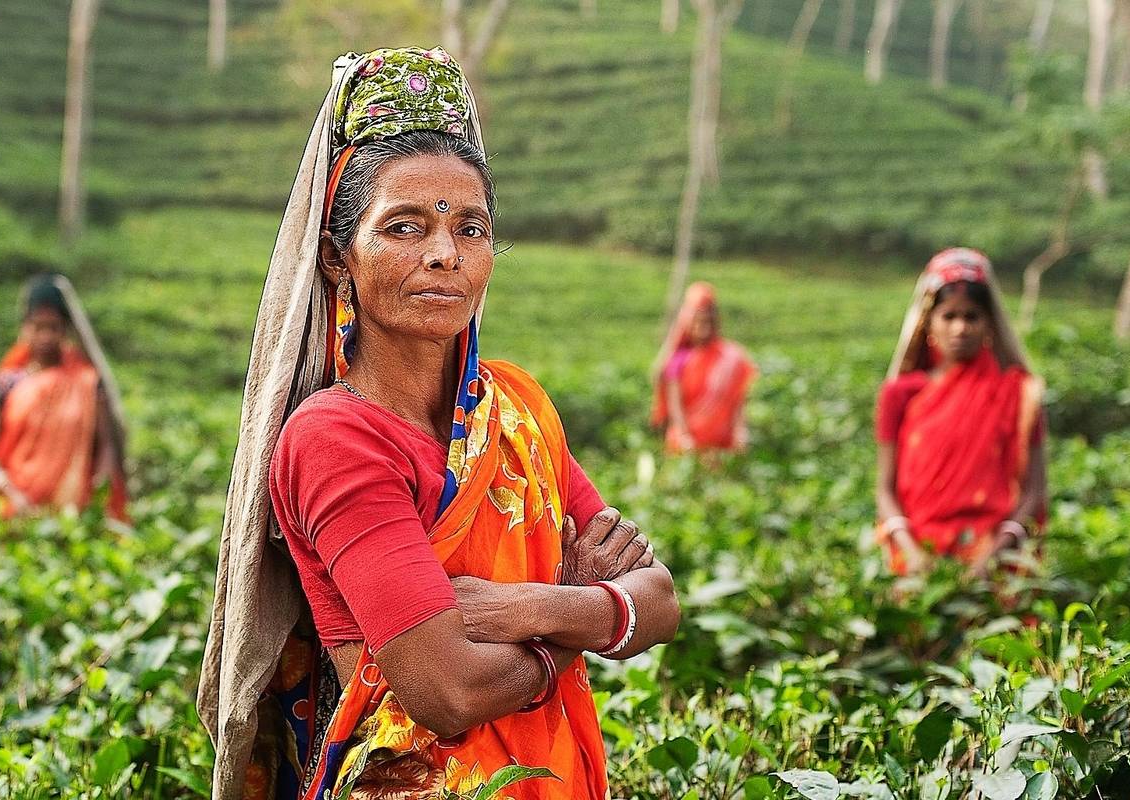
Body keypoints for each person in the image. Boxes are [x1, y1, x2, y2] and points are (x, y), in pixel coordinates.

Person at [198, 48, 681, 800]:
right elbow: (447, 691)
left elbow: (662, 600)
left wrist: (535, 604)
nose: (444, 255)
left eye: (472, 228)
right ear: (337, 259)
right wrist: (583, 625)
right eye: (403, 228)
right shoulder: (334, 439)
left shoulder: (516, 405)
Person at [875, 248, 1047, 579]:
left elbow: (1034, 491)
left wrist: (993, 556)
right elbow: (885, 489)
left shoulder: (1018, 393)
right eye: (949, 316)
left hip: (993, 557)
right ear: (929, 322)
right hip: (917, 556)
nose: (960, 328)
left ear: (989, 325)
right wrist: (910, 552)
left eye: (971, 317)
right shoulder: (901, 395)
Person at [0, 274, 129, 523]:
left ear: (65, 330)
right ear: (25, 328)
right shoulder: (7, 382)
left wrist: (99, 495)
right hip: (14, 505)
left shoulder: (87, 381)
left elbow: (106, 445)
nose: (45, 336)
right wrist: (7, 489)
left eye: (53, 328)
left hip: (74, 510)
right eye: (37, 327)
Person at [650, 282, 756, 453]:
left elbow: (738, 402)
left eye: (707, 321)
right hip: (687, 444)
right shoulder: (678, 358)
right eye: (698, 321)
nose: (702, 327)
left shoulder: (730, 357)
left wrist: (740, 432)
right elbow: (675, 405)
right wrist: (685, 436)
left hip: (723, 444)